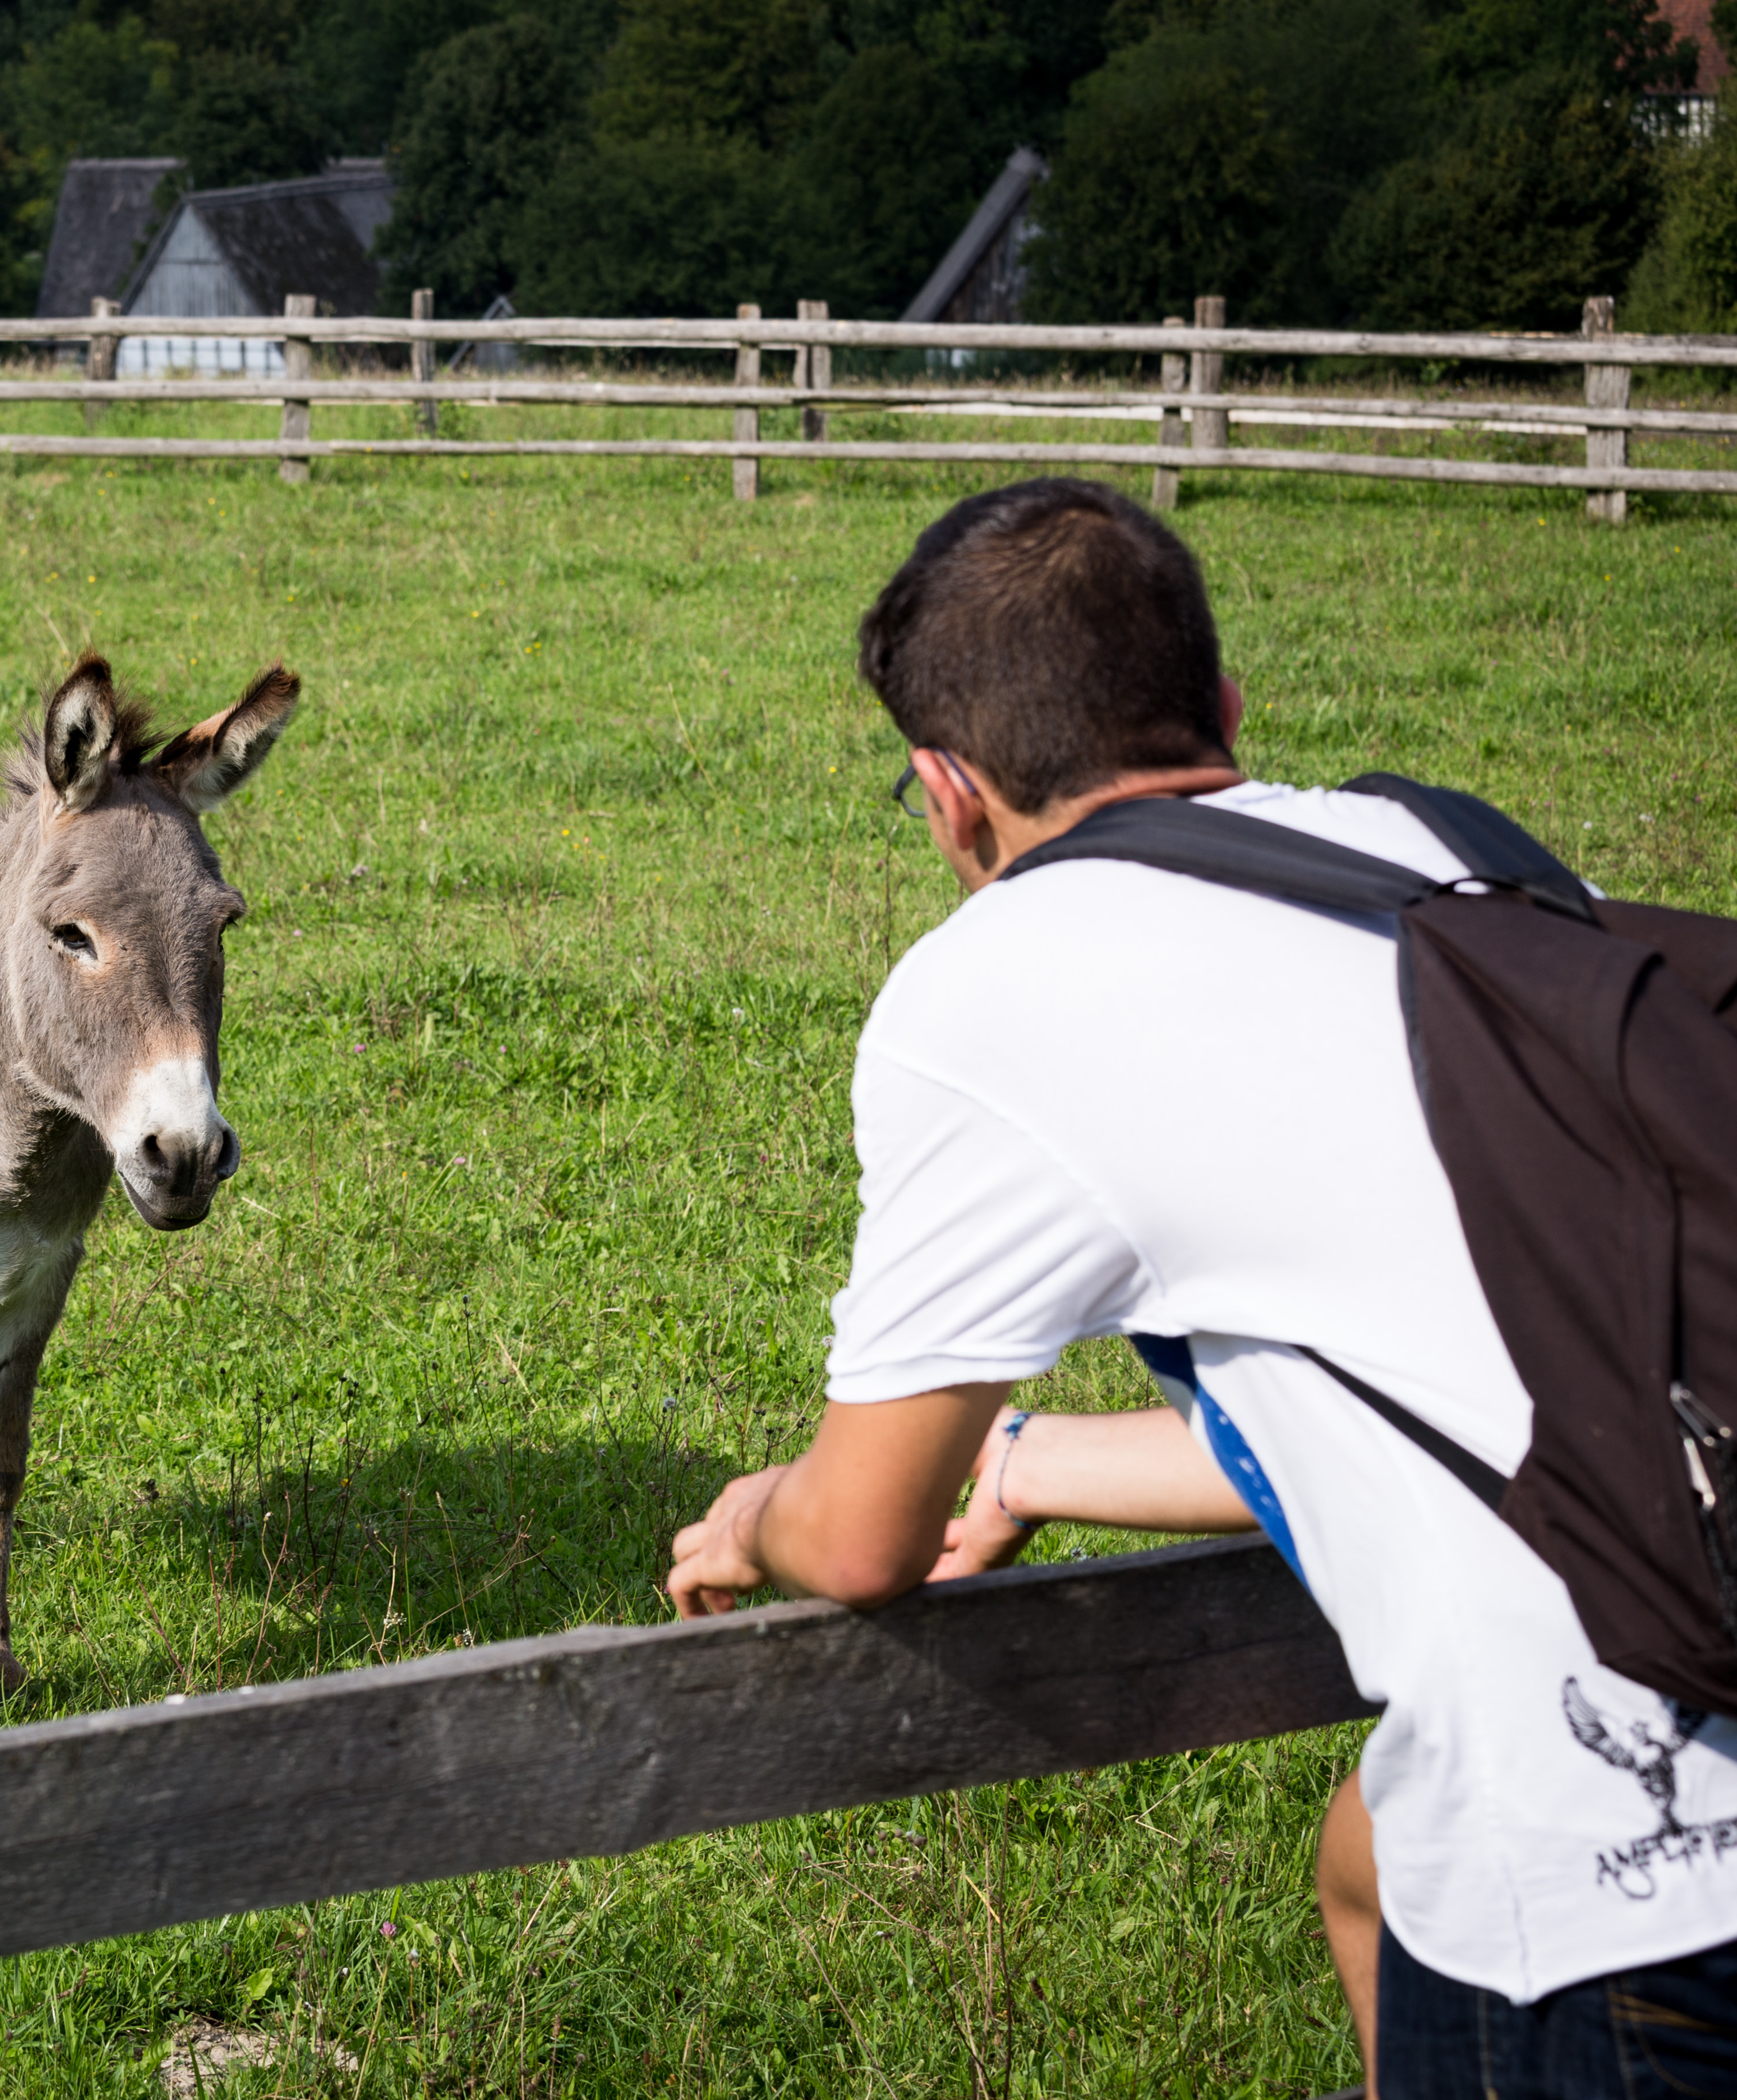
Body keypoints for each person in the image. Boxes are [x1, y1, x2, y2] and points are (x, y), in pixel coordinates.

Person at [662, 478, 1737, 2098]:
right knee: (1368, 1855)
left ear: (949, 796)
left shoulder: (1000, 986)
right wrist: (1023, 1461)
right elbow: (1455, 1386)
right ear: (1225, 710)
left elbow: (866, 1538)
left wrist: (762, 1518)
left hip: (1627, 1900)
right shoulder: (1452, 856)